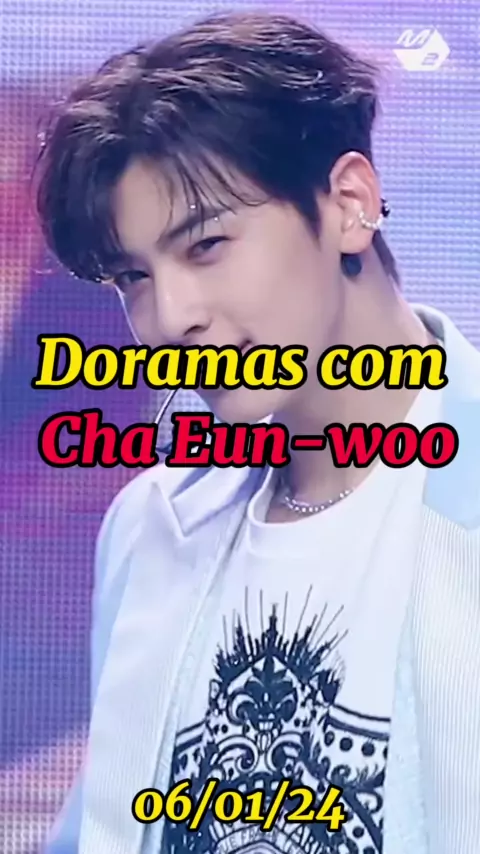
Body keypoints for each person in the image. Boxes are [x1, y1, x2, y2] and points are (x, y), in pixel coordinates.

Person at [35, 11, 480, 854]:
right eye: (133, 278)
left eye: (206, 244)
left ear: (350, 205)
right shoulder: (148, 526)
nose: (170, 319)